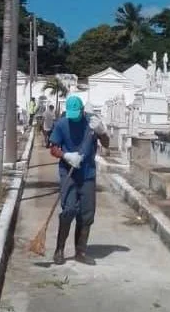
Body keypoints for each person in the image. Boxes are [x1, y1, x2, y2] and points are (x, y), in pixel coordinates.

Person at [48, 95, 109, 265]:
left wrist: (101, 132)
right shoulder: (62, 124)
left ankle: (80, 252)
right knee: (68, 210)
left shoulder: (92, 122)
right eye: (71, 114)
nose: (74, 118)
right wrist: (66, 155)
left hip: (87, 174)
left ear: (83, 110)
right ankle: (59, 250)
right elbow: (53, 149)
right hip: (68, 172)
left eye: (77, 114)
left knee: (87, 214)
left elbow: (106, 143)